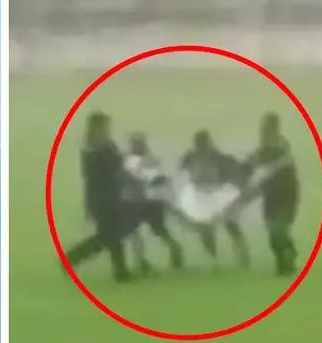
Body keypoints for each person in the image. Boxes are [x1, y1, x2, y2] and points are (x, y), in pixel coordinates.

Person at [63, 111, 131, 282]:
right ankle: (120, 272)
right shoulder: (103, 147)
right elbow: (112, 167)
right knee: (109, 236)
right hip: (105, 197)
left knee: (108, 236)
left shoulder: (91, 147)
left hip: (101, 196)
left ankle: (119, 271)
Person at [176, 130, 250, 268]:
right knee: (205, 229)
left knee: (231, 225)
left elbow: (232, 172)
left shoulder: (219, 157)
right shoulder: (190, 157)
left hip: (218, 195)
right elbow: (182, 171)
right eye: (198, 143)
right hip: (201, 196)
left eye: (203, 143)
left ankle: (242, 254)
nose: (200, 146)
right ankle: (212, 257)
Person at [244, 113, 300, 276]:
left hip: (286, 191)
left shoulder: (281, 146)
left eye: (268, 127)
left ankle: (286, 260)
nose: (264, 131)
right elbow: (253, 163)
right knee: (273, 232)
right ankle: (285, 259)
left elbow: (282, 163)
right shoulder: (263, 148)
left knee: (279, 228)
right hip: (271, 193)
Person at [121, 133, 184, 272]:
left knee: (157, 231)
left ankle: (174, 250)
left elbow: (156, 179)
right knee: (138, 233)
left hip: (148, 203)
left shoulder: (147, 160)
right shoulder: (130, 160)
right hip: (135, 203)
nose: (136, 146)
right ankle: (142, 261)